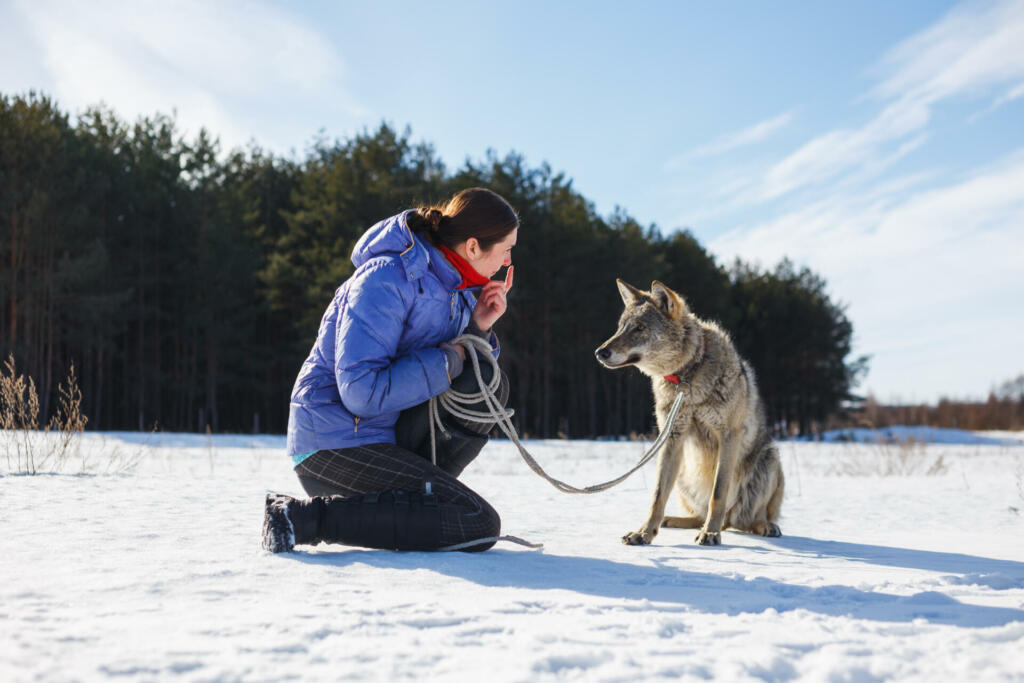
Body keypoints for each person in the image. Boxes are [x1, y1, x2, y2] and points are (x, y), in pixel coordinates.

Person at [262, 187, 518, 553]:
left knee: (487, 385)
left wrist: (478, 328)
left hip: (385, 439)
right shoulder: (385, 278)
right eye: (506, 248)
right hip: (331, 446)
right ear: (474, 247)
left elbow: (455, 369)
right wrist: (450, 358)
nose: (508, 260)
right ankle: (300, 518)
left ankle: (420, 500)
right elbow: (361, 391)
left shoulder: (457, 292)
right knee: (476, 521)